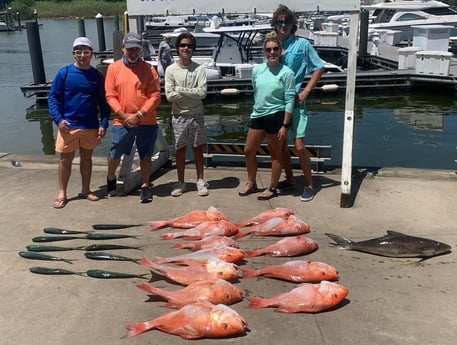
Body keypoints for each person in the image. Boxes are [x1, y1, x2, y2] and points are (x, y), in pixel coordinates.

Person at [48, 37, 110, 209]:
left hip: (90, 125)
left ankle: (85, 190)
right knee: (65, 160)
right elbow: (53, 98)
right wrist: (58, 120)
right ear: (73, 54)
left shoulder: (97, 76)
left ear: (91, 54)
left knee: (87, 159)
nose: (82, 55)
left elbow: (103, 103)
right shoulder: (64, 73)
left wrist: (103, 124)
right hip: (68, 126)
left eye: (86, 52)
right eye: (78, 52)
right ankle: (62, 192)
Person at [272, 4, 325, 202]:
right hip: (276, 103)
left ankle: (310, 185)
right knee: (281, 145)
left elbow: (319, 67)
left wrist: (306, 91)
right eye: (280, 21)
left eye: (287, 21)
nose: (283, 25)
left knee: (300, 146)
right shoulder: (272, 44)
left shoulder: (302, 44)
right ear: (275, 24)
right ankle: (290, 179)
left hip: (295, 101)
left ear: (292, 24)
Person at [105, 32, 161, 203]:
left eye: (136, 49)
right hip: (122, 120)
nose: (133, 52)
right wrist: (123, 115)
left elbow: (155, 95)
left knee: (146, 154)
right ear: (123, 48)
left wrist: (139, 115)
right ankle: (110, 177)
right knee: (115, 151)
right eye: (130, 49)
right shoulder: (113, 68)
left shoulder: (149, 69)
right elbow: (110, 95)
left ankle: (145, 185)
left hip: (146, 120)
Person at [238, 32, 296, 200]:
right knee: (248, 150)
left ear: (280, 50)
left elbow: (289, 100)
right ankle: (251, 182)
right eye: (268, 49)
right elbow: (257, 92)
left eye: (275, 49)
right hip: (258, 114)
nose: (272, 52)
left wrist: (285, 125)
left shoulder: (287, 73)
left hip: (276, 116)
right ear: (264, 51)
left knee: (275, 154)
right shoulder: (257, 70)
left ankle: (271, 187)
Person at [164, 32, 209, 197]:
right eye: (182, 45)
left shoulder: (199, 69)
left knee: (198, 149)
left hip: (196, 113)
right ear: (177, 48)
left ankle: (200, 180)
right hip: (178, 115)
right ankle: (181, 181)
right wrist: (192, 92)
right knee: (180, 150)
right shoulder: (170, 70)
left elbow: (202, 93)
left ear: (193, 49)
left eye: (189, 46)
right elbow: (169, 96)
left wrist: (180, 90)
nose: (186, 48)